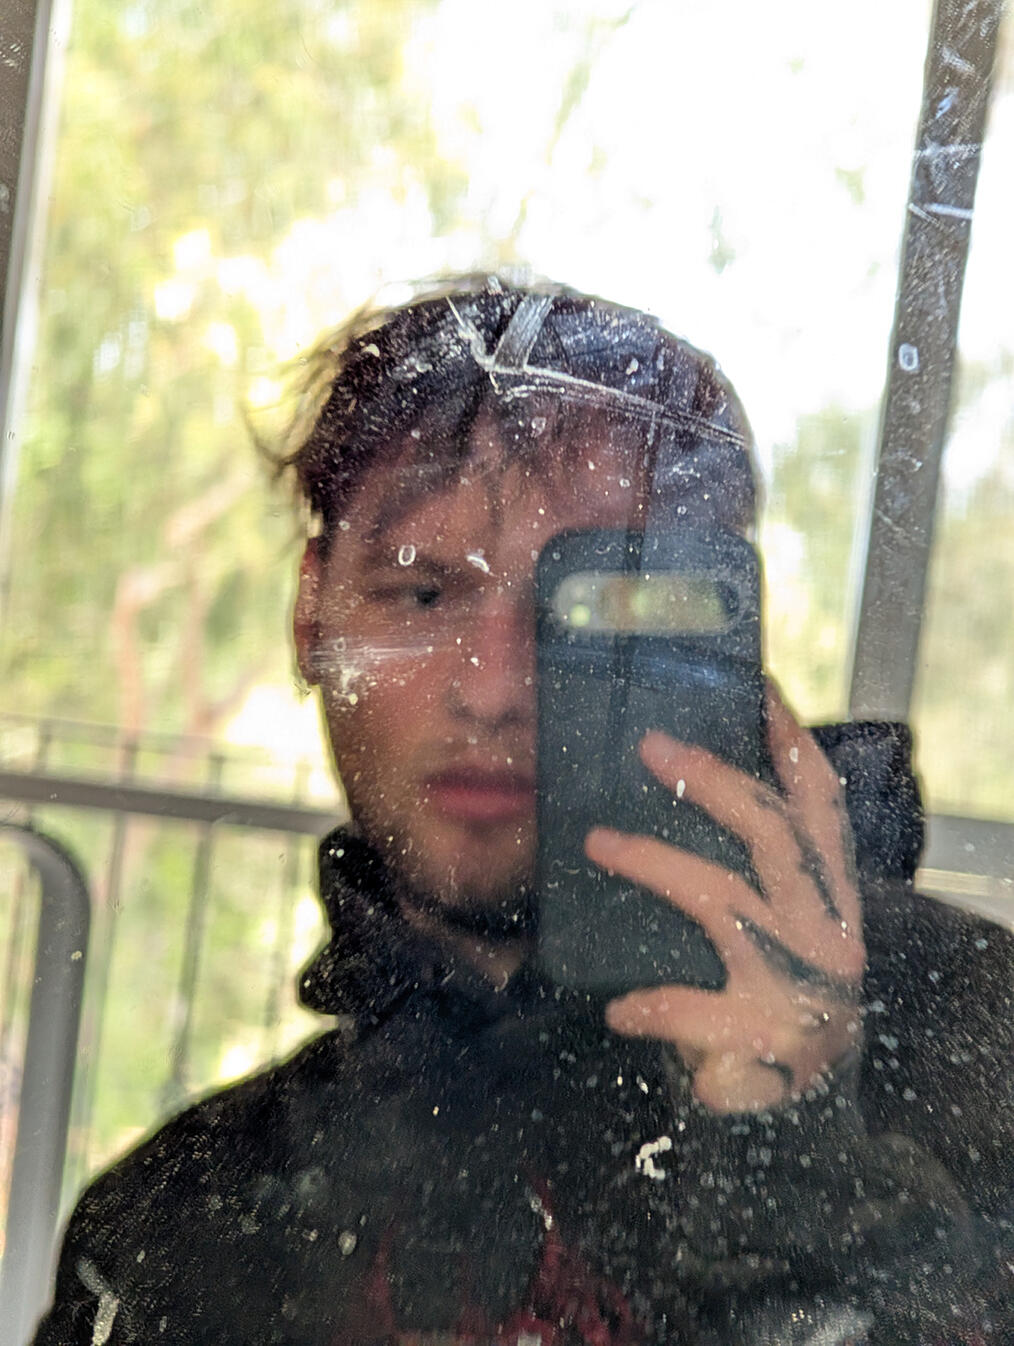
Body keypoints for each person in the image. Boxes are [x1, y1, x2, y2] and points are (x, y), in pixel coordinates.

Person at [32, 279, 1013, 1345]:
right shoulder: (177, 1224)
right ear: (312, 611)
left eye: (588, 609)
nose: (495, 689)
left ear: (710, 634)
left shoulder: (976, 1041)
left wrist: (803, 1184)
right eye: (423, 593)